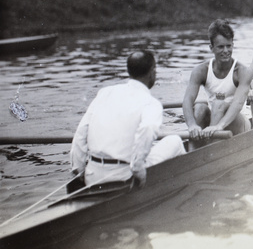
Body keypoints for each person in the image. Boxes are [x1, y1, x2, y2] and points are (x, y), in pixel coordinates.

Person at [70, 51, 186, 187]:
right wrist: (138, 169)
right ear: (152, 72)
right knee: (176, 141)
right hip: (124, 176)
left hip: (93, 176)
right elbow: (148, 129)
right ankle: (179, 187)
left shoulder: (105, 93)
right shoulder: (151, 103)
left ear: (129, 71)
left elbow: (80, 134)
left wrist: (79, 172)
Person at [182, 19, 251, 150]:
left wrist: (219, 126)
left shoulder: (241, 71)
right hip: (215, 121)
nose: (226, 51)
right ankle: (192, 154)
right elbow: (187, 100)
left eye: (229, 46)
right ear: (211, 48)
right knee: (200, 106)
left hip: (238, 124)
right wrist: (191, 125)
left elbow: (237, 103)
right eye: (220, 47)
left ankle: (209, 152)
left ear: (232, 45)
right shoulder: (200, 71)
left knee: (219, 104)